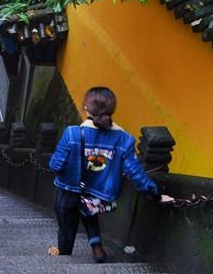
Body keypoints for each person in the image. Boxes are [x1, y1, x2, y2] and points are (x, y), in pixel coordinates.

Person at [48, 86, 173, 262]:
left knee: (67, 226)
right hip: (98, 194)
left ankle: (64, 254)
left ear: (86, 108)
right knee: (90, 213)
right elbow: (135, 173)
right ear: (112, 110)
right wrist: (156, 194)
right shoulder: (124, 140)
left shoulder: (72, 134)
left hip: (68, 191)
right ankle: (97, 249)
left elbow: (55, 165)